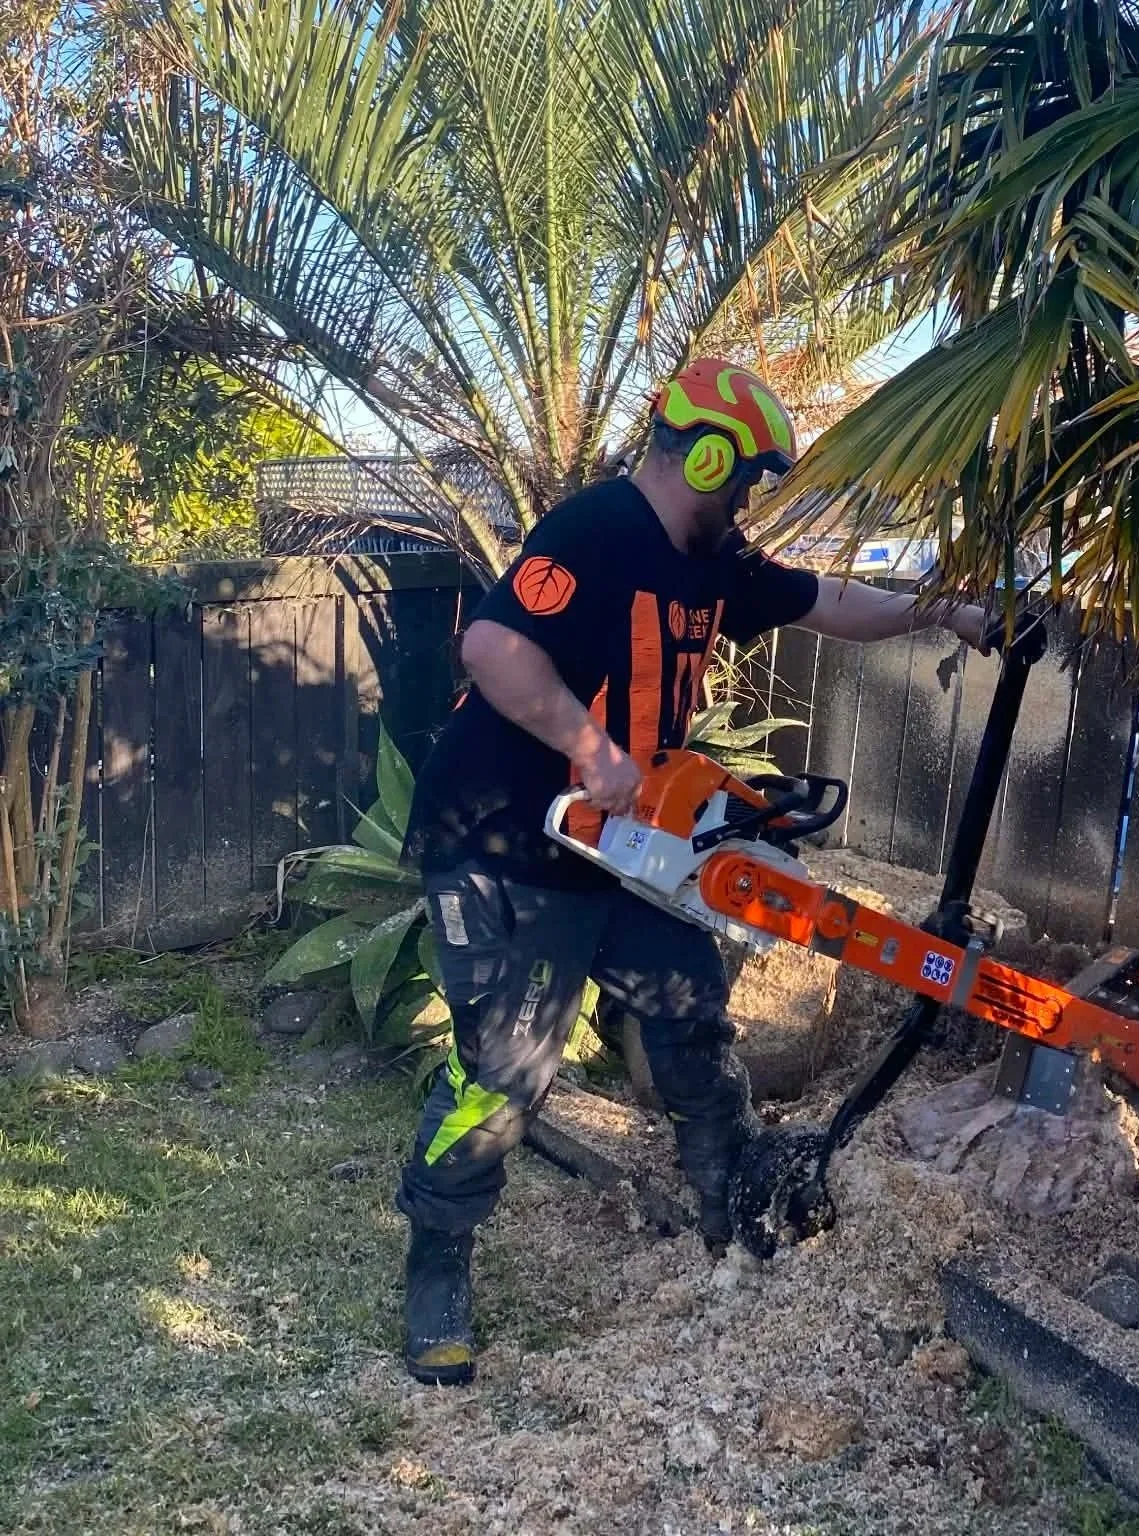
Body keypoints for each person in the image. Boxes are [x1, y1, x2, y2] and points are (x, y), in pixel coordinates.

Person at [395, 357, 991, 1386]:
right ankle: (437, 1261)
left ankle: (726, 1201)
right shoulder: (595, 529)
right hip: (501, 845)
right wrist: (589, 746)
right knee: (504, 1074)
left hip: (619, 852)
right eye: (746, 478)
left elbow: (824, 599)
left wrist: (940, 614)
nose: (749, 500)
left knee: (687, 1005)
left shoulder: (712, 558)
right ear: (708, 458)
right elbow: (493, 648)